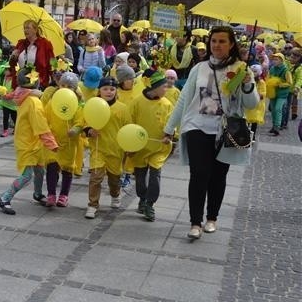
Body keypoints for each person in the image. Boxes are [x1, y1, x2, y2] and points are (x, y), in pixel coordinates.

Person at [162, 26, 258, 240]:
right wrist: (169, 128)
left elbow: (252, 104)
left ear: (231, 44)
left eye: (222, 41)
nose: (217, 45)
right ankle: (195, 222)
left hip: (227, 130)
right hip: (198, 127)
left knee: (218, 176)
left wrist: (247, 84)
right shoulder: (200, 68)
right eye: (214, 41)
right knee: (199, 174)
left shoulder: (242, 69)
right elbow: (184, 99)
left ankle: (211, 218)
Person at [0, 68, 58, 215]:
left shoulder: (22, 94)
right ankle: (5, 198)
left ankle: (37, 194)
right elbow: (40, 125)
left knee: (40, 170)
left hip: (30, 140)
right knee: (27, 175)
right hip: (28, 143)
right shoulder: (33, 102)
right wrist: (51, 143)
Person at [128, 71, 173, 222]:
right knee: (140, 177)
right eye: (164, 86)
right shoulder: (137, 102)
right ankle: (142, 197)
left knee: (155, 175)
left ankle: (150, 203)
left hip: (159, 148)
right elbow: (129, 124)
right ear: (154, 87)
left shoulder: (166, 104)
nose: (166, 89)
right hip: (139, 147)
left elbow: (171, 124)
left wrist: (169, 136)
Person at [83, 76, 131, 219]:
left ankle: (115, 195)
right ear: (99, 91)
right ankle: (92, 205)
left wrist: (129, 147)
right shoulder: (92, 105)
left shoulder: (123, 109)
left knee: (114, 180)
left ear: (116, 91)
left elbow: (128, 128)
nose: (109, 92)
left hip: (116, 150)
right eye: (105, 89)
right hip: (98, 149)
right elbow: (85, 121)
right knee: (95, 178)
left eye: (112, 89)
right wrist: (89, 130)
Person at [43, 72, 82, 207]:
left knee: (67, 170)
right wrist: (46, 131)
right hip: (53, 141)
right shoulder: (52, 101)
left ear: (75, 88)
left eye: (69, 86)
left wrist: (75, 130)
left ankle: (64, 195)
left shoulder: (76, 104)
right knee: (52, 168)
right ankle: (51, 194)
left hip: (69, 143)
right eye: (63, 85)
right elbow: (45, 117)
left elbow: (80, 121)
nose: (65, 88)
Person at [10, 20, 56, 88]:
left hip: (38, 84)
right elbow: (12, 65)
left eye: (28, 28)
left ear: (35, 30)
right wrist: (13, 57)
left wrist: (55, 78)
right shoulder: (21, 44)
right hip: (20, 84)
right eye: (24, 28)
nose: (25, 30)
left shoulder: (46, 44)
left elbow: (53, 62)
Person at [267, 52, 292, 135]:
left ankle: (277, 127)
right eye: (273, 59)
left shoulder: (286, 70)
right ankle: (274, 126)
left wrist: (280, 85)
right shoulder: (272, 69)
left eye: (276, 59)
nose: (274, 61)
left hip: (282, 94)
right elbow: (268, 78)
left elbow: (289, 83)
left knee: (278, 109)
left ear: (281, 60)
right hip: (273, 92)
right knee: (273, 110)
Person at [244, 65, 266, 142]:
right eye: (252, 71)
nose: (253, 73)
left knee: (254, 121)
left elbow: (263, 92)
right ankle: (246, 134)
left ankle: (252, 136)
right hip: (248, 103)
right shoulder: (248, 80)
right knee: (247, 119)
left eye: (255, 71)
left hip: (257, 105)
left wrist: (259, 95)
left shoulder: (261, 82)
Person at [0, 65, 17, 138]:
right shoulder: (5, 78)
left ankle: (16, 129)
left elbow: (15, 91)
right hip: (5, 102)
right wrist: (0, 95)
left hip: (13, 103)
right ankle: (5, 130)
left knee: (14, 117)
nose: (5, 71)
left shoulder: (15, 79)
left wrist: (9, 96)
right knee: (5, 117)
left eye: (6, 70)